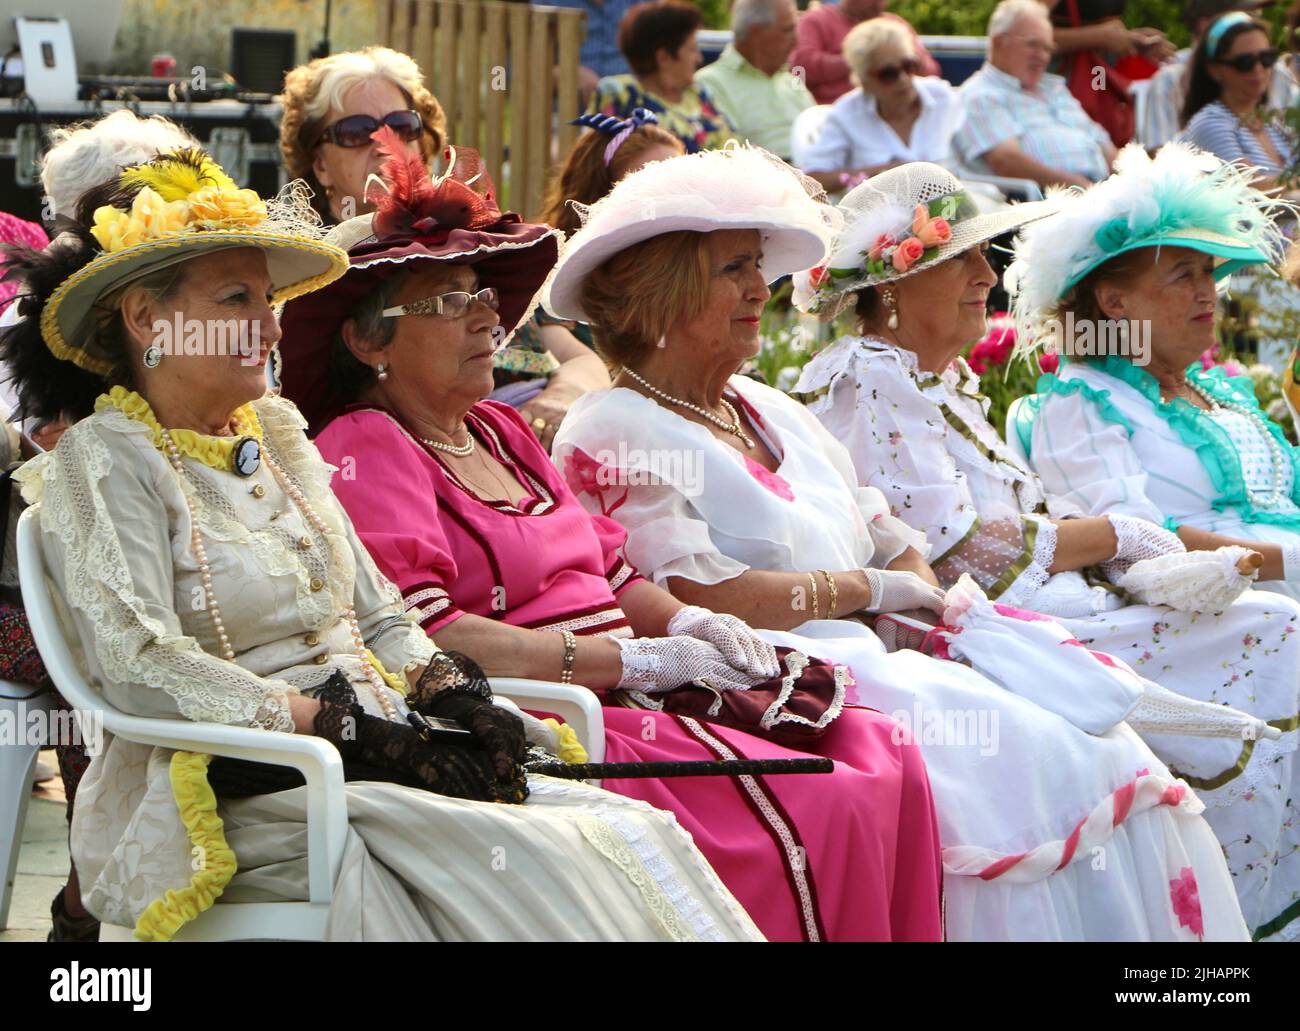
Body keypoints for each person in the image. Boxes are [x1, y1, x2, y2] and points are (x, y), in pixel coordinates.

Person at [1, 147, 764, 942]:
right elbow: (139, 665)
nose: (266, 325)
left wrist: (449, 691)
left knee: (626, 833)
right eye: (236, 298)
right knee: (531, 863)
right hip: (236, 789)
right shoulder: (108, 457)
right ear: (146, 319)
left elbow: (382, 615)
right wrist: (339, 729)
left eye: (268, 299)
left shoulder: (282, 438)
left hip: (368, 757)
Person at [546, 142, 1250, 941]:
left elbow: (887, 528)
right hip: (777, 681)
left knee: (1098, 741)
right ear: (663, 295)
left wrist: (927, 599)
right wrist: (874, 593)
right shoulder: (611, 427)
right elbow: (703, 599)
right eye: (732, 269)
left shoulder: (765, 404)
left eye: (758, 265)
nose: (759, 288)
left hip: (880, 653)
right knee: (1027, 762)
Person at [276, 139, 946, 943]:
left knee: (888, 748)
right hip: (557, 719)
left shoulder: (497, 429)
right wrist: (628, 661)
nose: (490, 315)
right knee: (834, 794)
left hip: (638, 688)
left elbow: (613, 565)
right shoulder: (367, 445)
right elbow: (431, 638)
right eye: (450, 302)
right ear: (367, 343)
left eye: (483, 292)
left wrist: (684, 625)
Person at [792, 158, 1300, 940]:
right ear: (892, 286)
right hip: (982, 631)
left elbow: (1017, 513)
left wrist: (1133, 553)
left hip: (1049, 604)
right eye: (955, 257)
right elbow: (955, 548)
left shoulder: (935, 379)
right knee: (1275, 635)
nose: (979, 273)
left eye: (981, 255)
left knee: (1269, 629)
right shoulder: (867, 380)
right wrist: (1121, 536)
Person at [0, 108, 202, 942]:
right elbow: (46, 454)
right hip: (42, 598)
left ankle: (92, 914)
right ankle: (93, 915)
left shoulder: (210, 324)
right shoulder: (31, 331)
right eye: (120, 209)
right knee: (126, 671)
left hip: (180, 583)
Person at [1012, 142, 1300, 609]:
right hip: (1222, 609)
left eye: (1209, 273)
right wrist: (1285, 560)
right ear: (1114, 302)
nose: (1208, 293)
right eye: (1184, 276)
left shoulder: (1214, 392)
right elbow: (1131, 544)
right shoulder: (1082, 401)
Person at [954, 0, 1116, 190]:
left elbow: (1105, 145)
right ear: (999, 42)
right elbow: (1007, 162)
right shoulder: (980, 95)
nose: (1042, 57)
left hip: (1100, 193)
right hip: (1045, 203)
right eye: (1033, 44)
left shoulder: (1054, 90)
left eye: (1047, 48)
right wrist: (1084, 189)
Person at [280, 45, 447, 224]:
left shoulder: (468, 244)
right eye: (357, 132)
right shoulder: (297, 252)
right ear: (321, 165)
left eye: (401, 126)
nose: (385, 146)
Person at [801, 17, 962, 194]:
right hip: (881, 217)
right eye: (889, 73)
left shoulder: (943, 98)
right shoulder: (846, 114)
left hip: (950, 210)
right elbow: (813, 180)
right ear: (865, 81)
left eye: (909, 66)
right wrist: (883, 173)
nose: (903, 79)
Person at [586, 0, 735, 153]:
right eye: (692, 50)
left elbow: (733, 143)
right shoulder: (621, 93)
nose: (699, 58)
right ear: (663, 57)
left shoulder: (699, 93)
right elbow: (596, 155)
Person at [1138, 0, 1288, 150]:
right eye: (1245, 15)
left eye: (1267, 57)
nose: (1258, 68)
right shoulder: (1170, 79)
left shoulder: (1275, 70)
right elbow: (1159, 152)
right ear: (1207, 24)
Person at [1179, 11, 1296, 191]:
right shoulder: (1208, 123)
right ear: (1215, 69)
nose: (1258, 69)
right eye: (1245, 62)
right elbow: (1252, 186)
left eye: (1266, 58)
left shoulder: (1273, 122)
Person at [693, 0, 814, 162]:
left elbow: (823, 138)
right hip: (765, 179)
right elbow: (727, 158)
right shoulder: (711, 83)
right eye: (788, 30)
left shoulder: (791, 80)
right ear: (757, 33)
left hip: (821, 177)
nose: (796, 41)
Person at [790, 0, 940, 105]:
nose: (880, 4)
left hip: (894, 118)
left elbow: (931, 70)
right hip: (831, 115)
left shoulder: (895, 25)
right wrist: (862, 60)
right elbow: (800, 68)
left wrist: (912, 63)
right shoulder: (816, 21)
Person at [544, 0, 643, 100]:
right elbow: (533, 68)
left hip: (636, 104)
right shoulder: (548, 3)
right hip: (569, 108)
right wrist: (568, 73)